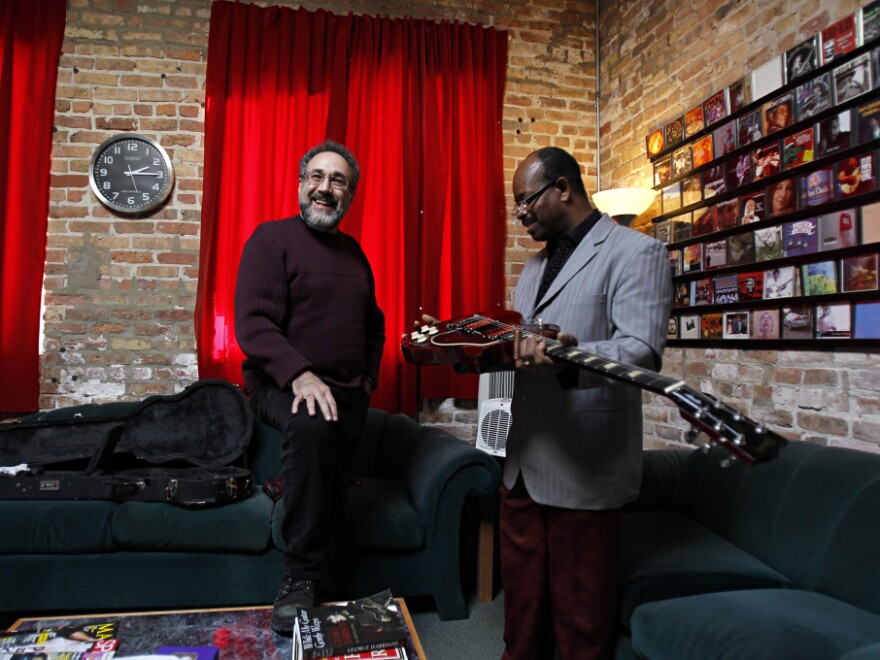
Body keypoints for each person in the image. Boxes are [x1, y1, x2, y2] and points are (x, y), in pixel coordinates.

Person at [501, 147, 672, 659]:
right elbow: (522, 344)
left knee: (580, 621)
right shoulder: (534, 266)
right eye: (515, 206)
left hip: (586, 465)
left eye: (526, 200)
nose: (521, 213)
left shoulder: (637, 252)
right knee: (522, 612)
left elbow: (641, 352)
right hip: (522, 464)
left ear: (563, 189)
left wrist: (568, 357)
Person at [234, 140, 385, 633]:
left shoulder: (355, 253)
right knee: (311, 419)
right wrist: (300, 373)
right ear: (301, 185)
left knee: (331, 482)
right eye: (316, 177)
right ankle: (299, 579)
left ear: (350, 194)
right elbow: (253, 324)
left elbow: (374, 323)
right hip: (282, 385)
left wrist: (366, 379)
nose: (325, 188)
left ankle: (300, 502)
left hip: (345, 391)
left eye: (337, 180)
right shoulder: (270, 240)